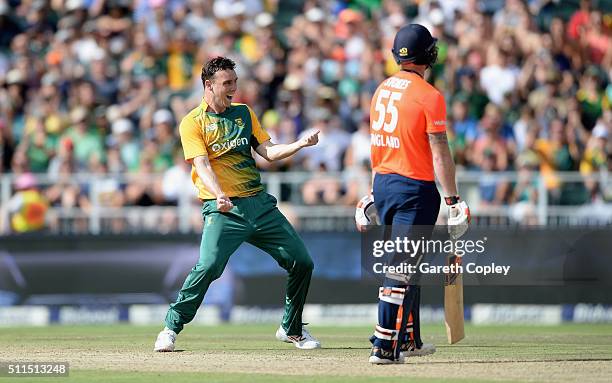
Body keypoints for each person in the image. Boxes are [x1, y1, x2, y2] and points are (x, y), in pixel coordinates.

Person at [154, 57, 321, 352]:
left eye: (235, 82)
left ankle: (291, 328)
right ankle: (171, 327)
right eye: (227, 83)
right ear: (209, 85)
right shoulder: (193, 122)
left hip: (258, 204)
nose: (234, 88)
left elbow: (268, 152)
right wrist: (220, 194)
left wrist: (299, 144)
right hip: (222, 209)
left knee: (302, 262)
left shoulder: (244, 113)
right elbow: (202, 166)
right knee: (208, 267)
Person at [355, 24, 469, 364]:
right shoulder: (429, 95)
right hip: (414, 189)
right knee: (402, 265)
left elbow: (378, 145)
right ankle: (385, 345)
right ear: (430, 55)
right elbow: (439, 150)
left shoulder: (381, 90)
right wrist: (453, 199)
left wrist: (372, 191)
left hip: (385, 185)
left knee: (411, 264)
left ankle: (409, 340)